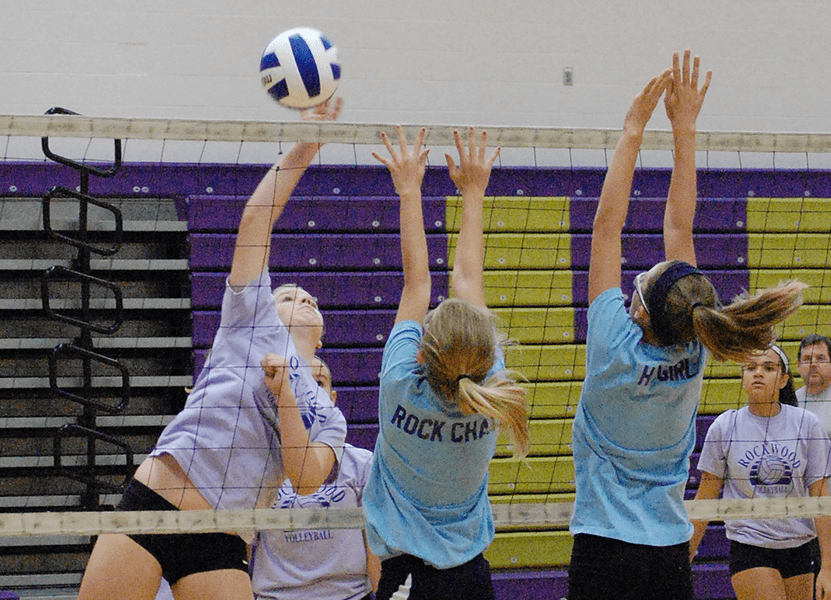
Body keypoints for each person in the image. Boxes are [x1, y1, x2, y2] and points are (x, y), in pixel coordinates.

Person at [77, 98, 348, 600]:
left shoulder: (328, 411)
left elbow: (306, 478)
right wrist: (307, 147)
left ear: (324, 335)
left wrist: (288, 393)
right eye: (288, 294)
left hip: (222, 537)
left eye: (309, 297)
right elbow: (255, 220)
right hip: (157, 500)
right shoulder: (250, 319)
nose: (303, 295)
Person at [568, 50, 807, 600]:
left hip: (604, 547)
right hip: (670, 553)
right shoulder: (698, 344)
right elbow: (680, 223)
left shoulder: (612, 343)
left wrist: (632, 130)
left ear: (639, 307)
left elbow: (608, 227)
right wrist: (687, 129)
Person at [364, 125, 530, 600]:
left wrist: (408, 189)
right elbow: (466, 278)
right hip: (473, 578)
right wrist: (473, 192)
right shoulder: (493, 390)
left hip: (408, 578)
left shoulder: (401, 381)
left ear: (421, 355)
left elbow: (417, 284)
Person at [155, 356, 381, 600]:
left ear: (333, 398)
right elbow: (240, 551)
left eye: (319, 382)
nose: (308, 392)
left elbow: (375, 554)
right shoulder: (253, 467)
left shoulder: (362, 465)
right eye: (297, 382)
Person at [689, 345, 831, 600]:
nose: (757, 374)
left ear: (784, 379)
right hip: (750, 546)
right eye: (750, 368)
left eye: (768, 368)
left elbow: (821, 499)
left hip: (799, 547)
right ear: (742, 377)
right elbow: (705, 499)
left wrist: (828, 569)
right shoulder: (725, 426)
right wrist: (684, 558)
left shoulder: (806, 424)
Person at [796, 334, 831, 433]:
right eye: (807, 359)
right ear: (798, 365)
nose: (813, 364)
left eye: (820, 358)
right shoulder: (792, 401)